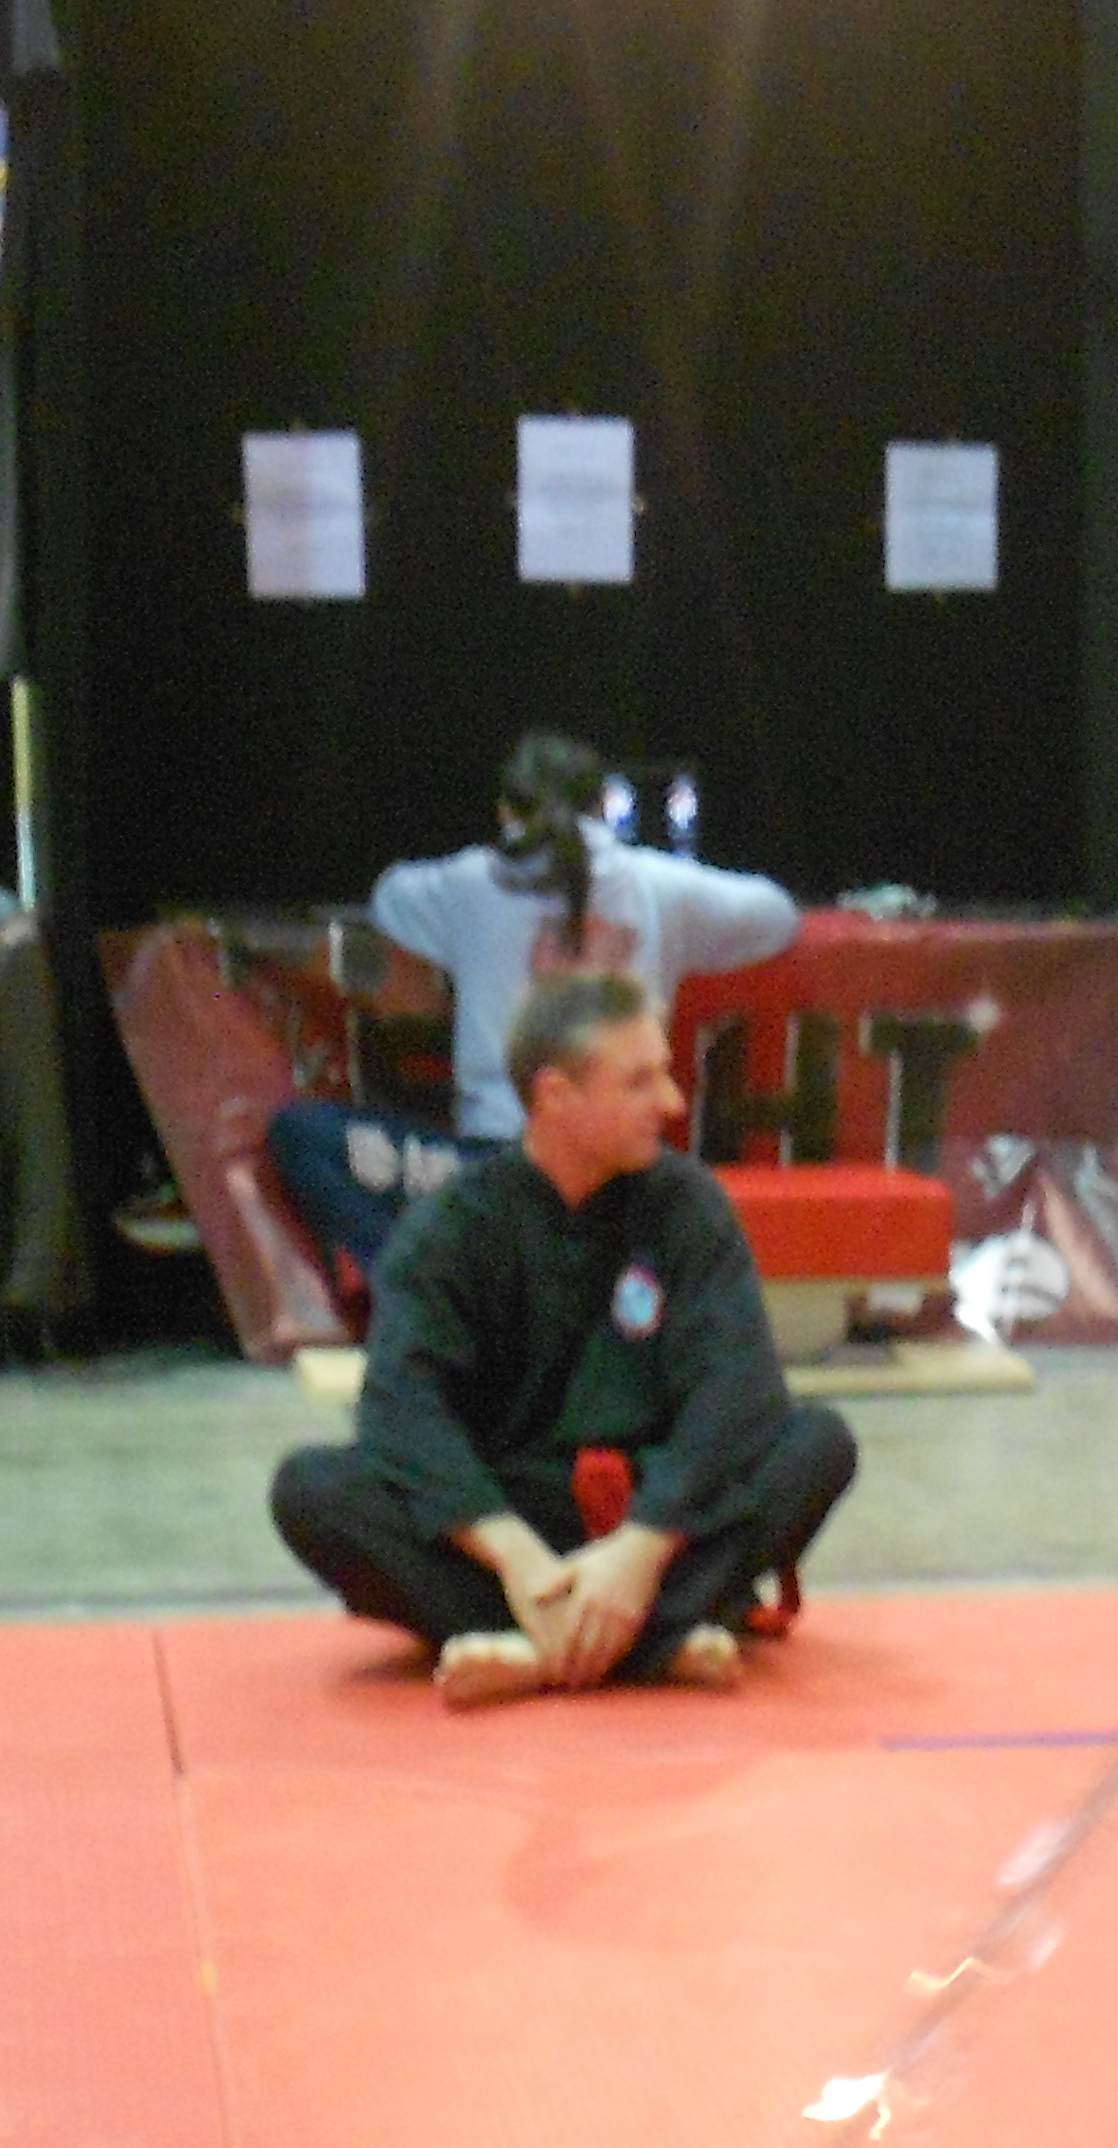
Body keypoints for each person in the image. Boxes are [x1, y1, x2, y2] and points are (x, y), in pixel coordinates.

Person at [269, 972, 857, 1709]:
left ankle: (540, 1650)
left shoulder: (687, 1207)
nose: (671, 1102)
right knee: (313, 1490)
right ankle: (651, 1641)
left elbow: (737, 1392)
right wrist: (516, 1557)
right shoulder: (453, 1228)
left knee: (817, 1445)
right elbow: (402, 1409)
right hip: (511, 1511)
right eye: (639, 1082)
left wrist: (641, 1548)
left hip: (651, 1506)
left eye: (664, 1075)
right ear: (555, 1095)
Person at [266, 730, 801, 1274]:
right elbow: (777, 914)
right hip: (620, 1181)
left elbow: (389, 895)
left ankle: (422, 1285)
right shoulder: (658, 885)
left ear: (506, 811)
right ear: (603, 805)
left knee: (300, 1133)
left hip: (496, 1169)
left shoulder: (472, 882)